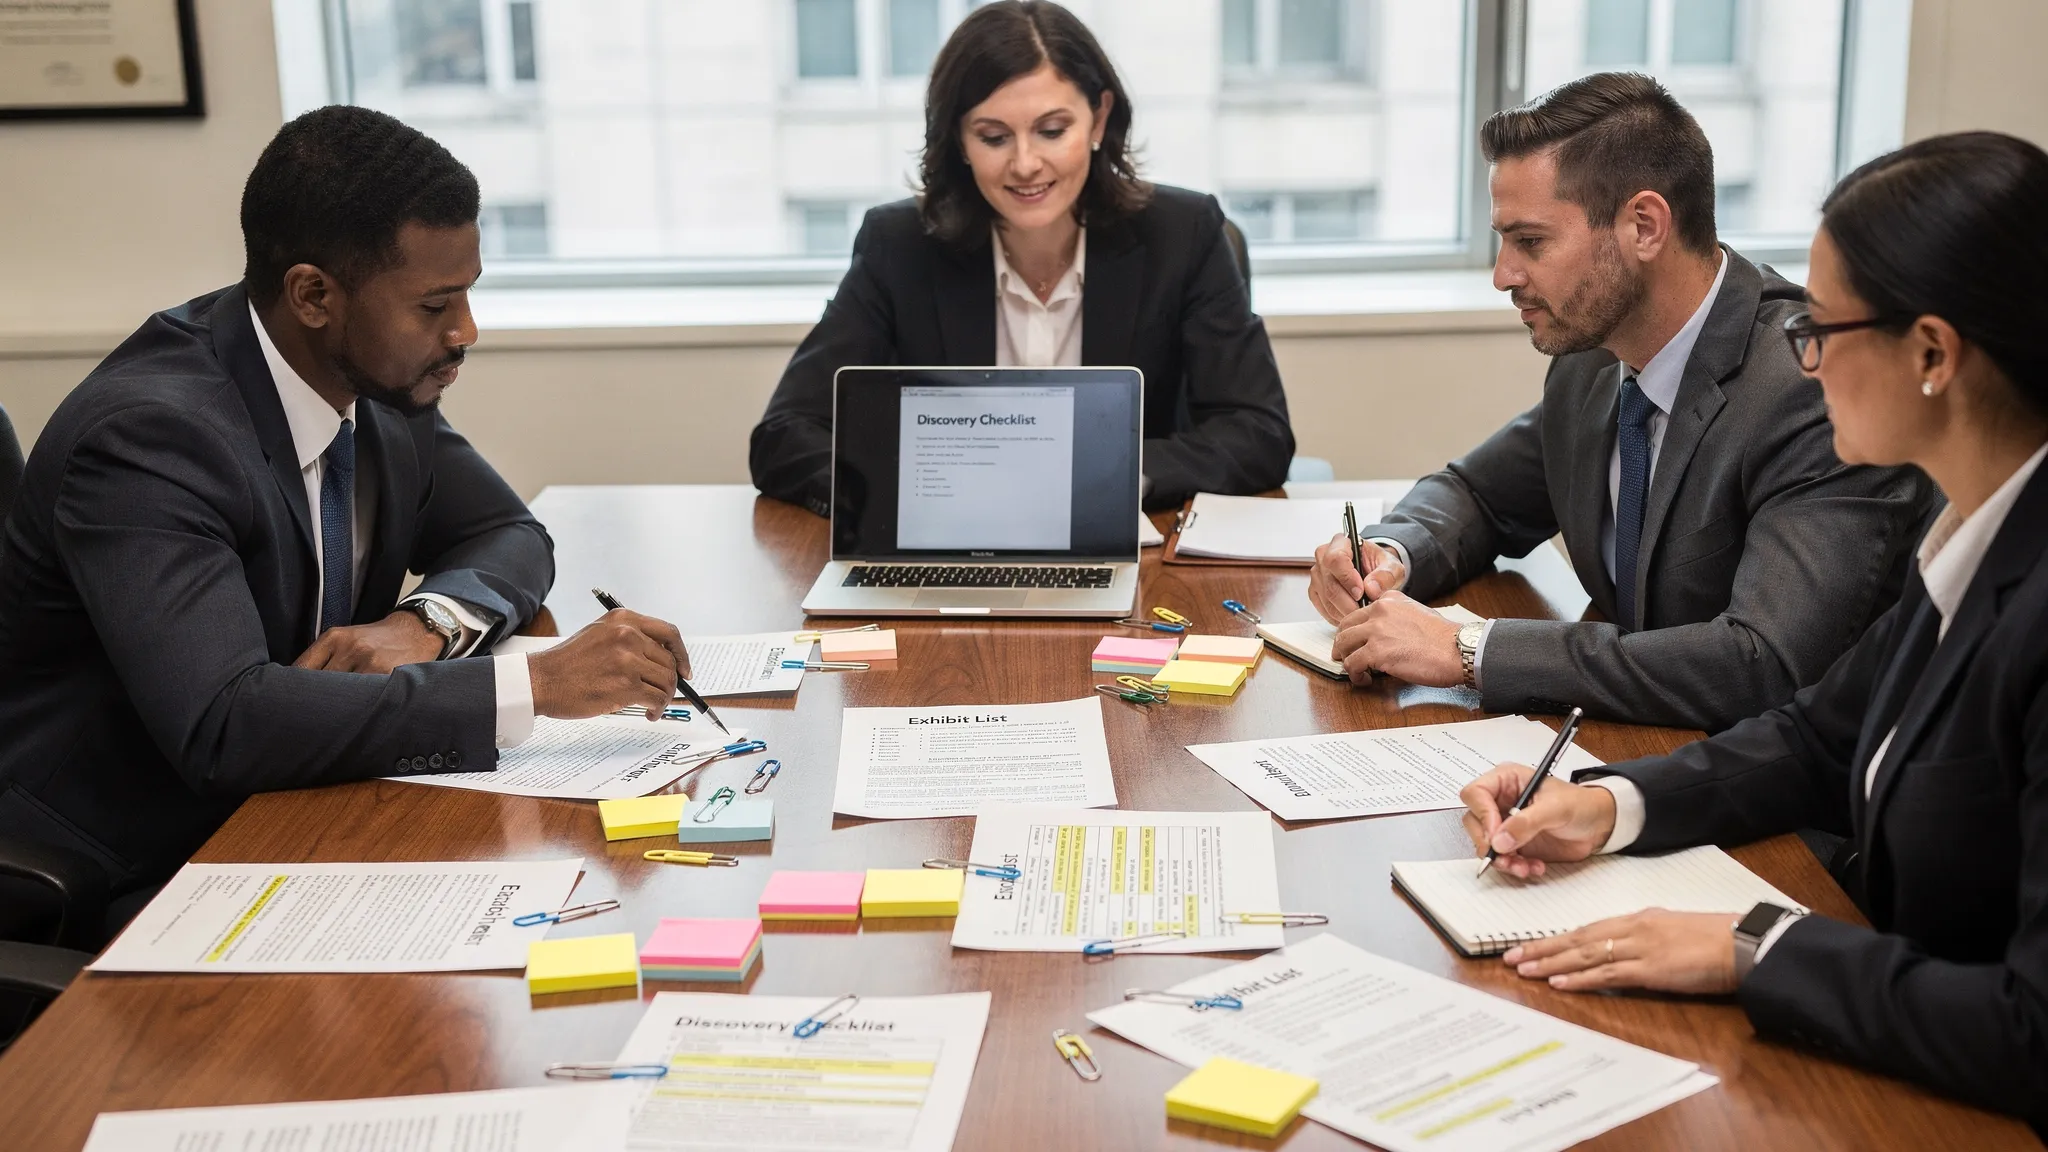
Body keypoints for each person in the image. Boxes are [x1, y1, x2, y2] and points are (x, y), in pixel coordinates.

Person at [1457, 132, 2048, 1131]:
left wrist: (1754, 944)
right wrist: (1608, 806)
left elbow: (2031, 1030)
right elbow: (1819, 737)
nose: (1800, 357)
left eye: (1818, 327)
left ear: (1932, 354)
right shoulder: (1976, 531)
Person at [0, 107, 693, 938]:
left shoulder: (377, 385)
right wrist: (535, 686)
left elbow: (510, 534)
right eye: (435, 304)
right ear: (314, 295)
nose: (466, 332)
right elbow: (226, 723)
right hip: (134, 862)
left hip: (299, 809)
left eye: (468, 295)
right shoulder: (152, 438)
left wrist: (425, 622)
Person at [1306, 73, 1934, 732]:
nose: (1503, 275)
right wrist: (1387, 555)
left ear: (1643, 225)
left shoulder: (1809, 389)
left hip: (1778, 802)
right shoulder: (1594, 358)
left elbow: (1760, 663)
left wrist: (1470, 651)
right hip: (1640, 746)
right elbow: (1481, 494)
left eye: (1531, 242)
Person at [748, 0, 1293, 515]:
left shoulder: (1183, 232)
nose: (1026, 163)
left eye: (1052, 131)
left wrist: (1121, 474)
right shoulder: (899, 245)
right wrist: (913, 485)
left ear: (1099, 120)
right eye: (993, 137)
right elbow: (785, 434)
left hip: (1131, 549)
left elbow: (1258, 430)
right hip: (953, 540)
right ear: (959, 141)